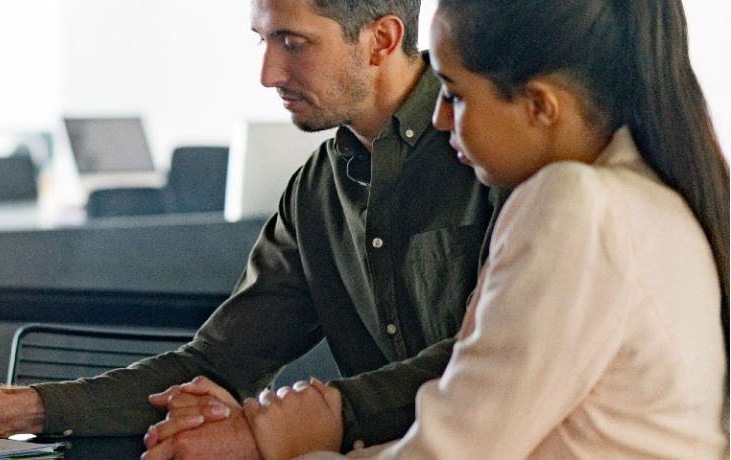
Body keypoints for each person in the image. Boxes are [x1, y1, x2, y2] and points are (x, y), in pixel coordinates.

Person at [0, 0, 498, 456]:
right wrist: (21, 409)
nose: (269, 73)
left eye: (292, 42)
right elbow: (217, 364)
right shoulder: (317, 190)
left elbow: (488, 364)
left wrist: (275, 430)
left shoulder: (498, 157)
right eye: (264, 39)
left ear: (382, 40)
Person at [232, 0, 731, 457]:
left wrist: (291, 443)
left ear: (539, 104)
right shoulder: (646, 198)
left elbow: (451, 453)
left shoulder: (576, 203)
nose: (441, 119)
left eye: (455, 95)